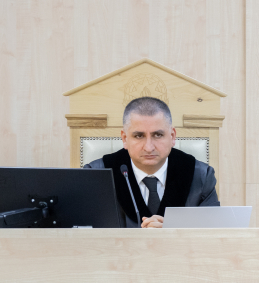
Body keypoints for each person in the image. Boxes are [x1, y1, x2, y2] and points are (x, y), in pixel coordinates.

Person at [85, 97, 219, 228]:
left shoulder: (201, 176)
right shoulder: (94, 176)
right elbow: (81, 236)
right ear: (125, 138)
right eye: (139, 136)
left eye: (158, 135)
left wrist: (175, 230)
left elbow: (214, 233)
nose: (149, 147)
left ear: (172, 136)